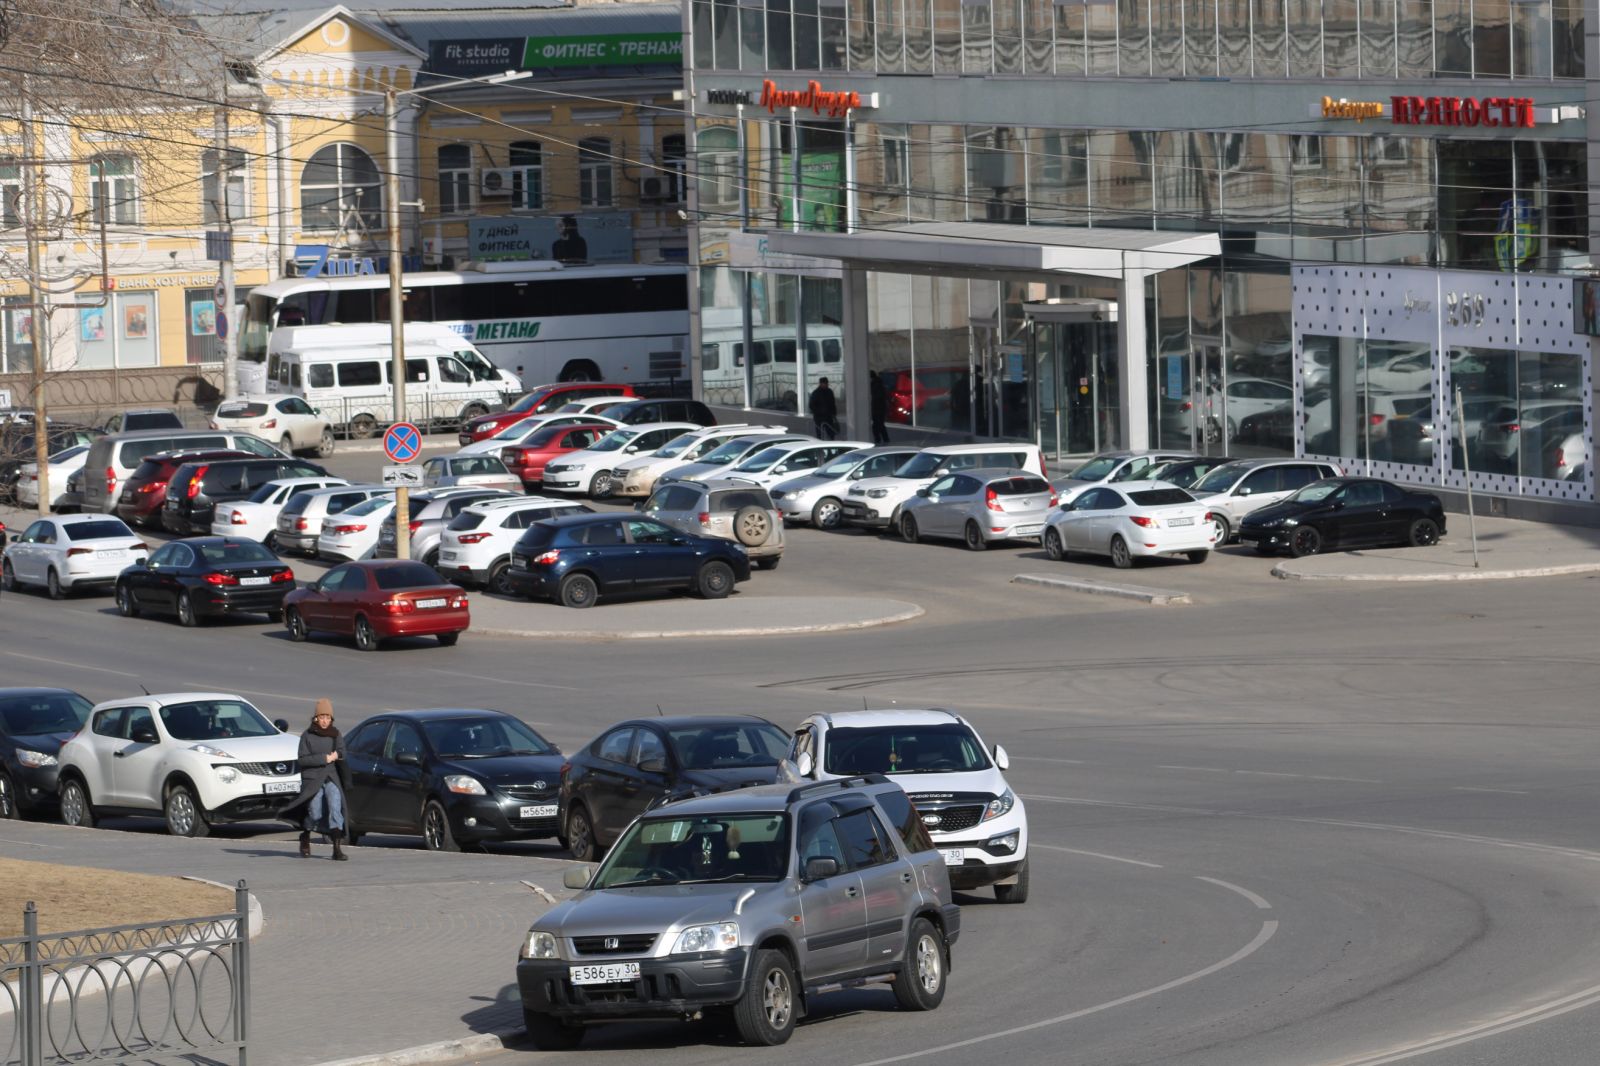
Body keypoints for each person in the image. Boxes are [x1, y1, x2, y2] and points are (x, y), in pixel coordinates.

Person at [279, 698, 352, 860]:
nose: (325, 721)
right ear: (316, 718)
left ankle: (336, 849)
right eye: (322, 717)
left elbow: (343, 752)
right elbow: (303, 760)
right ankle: (305, 834)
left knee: (335, 808)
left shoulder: (336, 733)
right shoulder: (307, 735)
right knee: (316, 812)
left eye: (328, 717)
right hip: (313, 779)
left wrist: (337, 755)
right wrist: (324, 758)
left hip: (331, 777)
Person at [809, 376, 838, 441]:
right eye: (825, 383)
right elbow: (811, 405)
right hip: (819, 418)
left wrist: (834, 414)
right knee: (820, 435)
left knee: (831, 434)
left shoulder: (829, 392)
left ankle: (831, 448)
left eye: (827, 383)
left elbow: (832, 404)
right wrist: (819, 412)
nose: (826, 385)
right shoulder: (816, 393)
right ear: (821, 384)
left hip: (828, 417)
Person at [869, 374, 889, 445]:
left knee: (878, 426)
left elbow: (877, 399)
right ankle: (884, 440)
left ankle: (880, 440)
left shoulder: (875, 386)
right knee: (879, 425)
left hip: (878, 409)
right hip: (880, 409)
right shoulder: (879, 385)